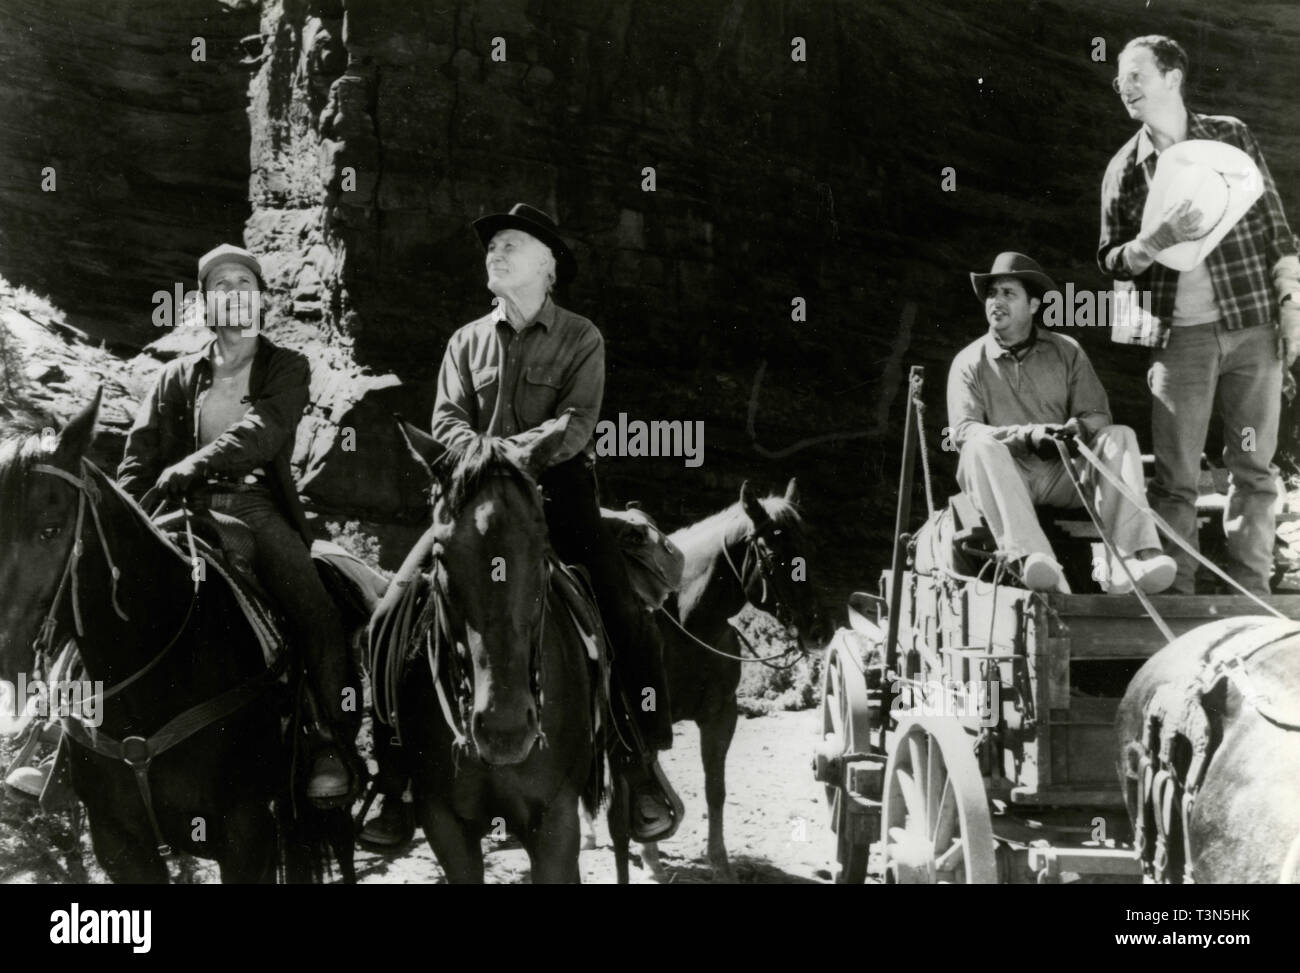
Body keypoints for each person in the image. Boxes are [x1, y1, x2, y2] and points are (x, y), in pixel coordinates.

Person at [359, 203, 680, 848]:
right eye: (490, 247)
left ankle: (638, 762)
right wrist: (485, 461)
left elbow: (579, 424)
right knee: (388, 613)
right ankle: (392, 778)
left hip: (557, 495)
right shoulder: (465, 341)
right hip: (472, 499)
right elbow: (446, 420)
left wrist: (509, 454)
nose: (493, 254)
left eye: (508, 245)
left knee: (623, 611)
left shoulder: (582, 337)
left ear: (547, 265)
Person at [116, 243, 362, 805]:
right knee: (104, 589)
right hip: (175, 510)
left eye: (243, 283)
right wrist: (127, 520)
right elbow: (138, 457)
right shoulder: (174, 375)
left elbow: (263, 430)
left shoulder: (287, 367)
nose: (232, 293)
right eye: (219, 285)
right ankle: (51, 732)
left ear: (261, 300)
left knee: (316, 613)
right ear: (205, 304)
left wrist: (194, 463)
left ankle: (330, 742)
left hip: (251, 507)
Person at [1098, 34, 1300, 595]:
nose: (1124, 88)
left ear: (1173, 77)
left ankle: (1252, 595)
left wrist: (1292, 312)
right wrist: (1152, 242)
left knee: (1255, 469)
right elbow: (1112, 259)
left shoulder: (1230, 137)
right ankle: (1181, 601)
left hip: (1252, 331)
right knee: (1176, 479)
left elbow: (1277, 231)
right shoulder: (1126, 169)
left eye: (1136, 75)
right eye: (1119, 79)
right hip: (1178, 341)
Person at [948, 252, 1176, 594]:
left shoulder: (1066, 350)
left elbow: (1097, 414)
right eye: (992, 294)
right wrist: (1027, 435)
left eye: (1008, 293)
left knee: (1120, 435)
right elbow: (963, 432)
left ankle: (1130, 562)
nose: (996, 301)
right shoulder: (969, 361)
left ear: (1034, 304)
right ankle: (1036, 563)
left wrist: (1078, 429)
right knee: (979, 446)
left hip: (1063, 474)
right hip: (1005, 478)